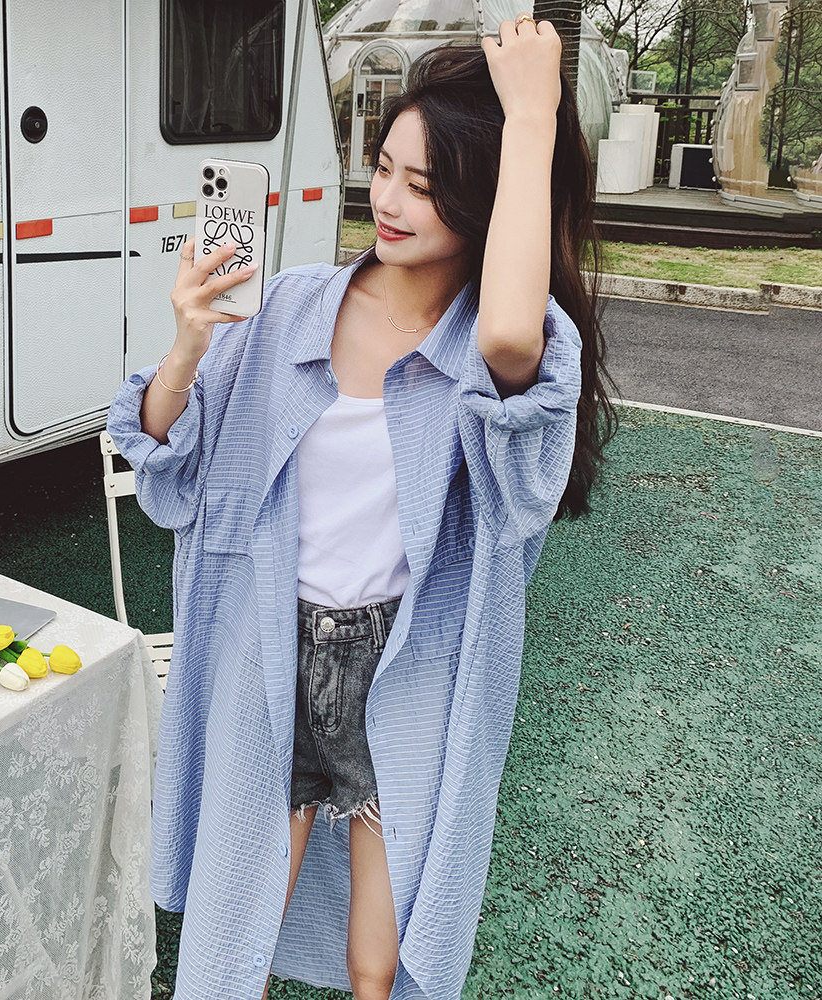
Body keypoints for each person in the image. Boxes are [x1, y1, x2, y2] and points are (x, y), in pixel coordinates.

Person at [107, 19, 615, 1000]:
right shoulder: (290, 307)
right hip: (275, 651)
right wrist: (186, 345)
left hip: (403, 667)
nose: (387, 200)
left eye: (423, 185)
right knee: (234, 938)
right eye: (383, 168)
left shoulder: (481, 351)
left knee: (378, 961)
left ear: (484, 202)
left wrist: (534, 118)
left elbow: (515, 334)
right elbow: (170, 460)